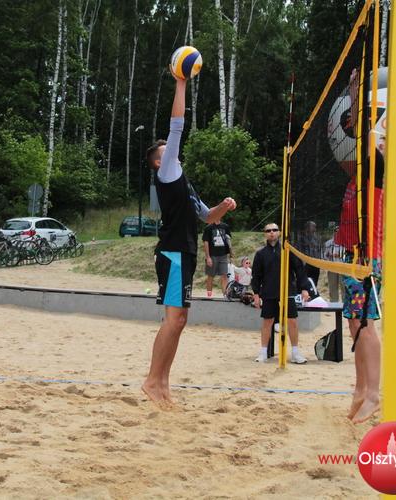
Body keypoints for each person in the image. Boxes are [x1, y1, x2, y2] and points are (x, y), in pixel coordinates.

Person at [142, 74, 237, 409]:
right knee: (174, 319)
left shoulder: (184, 182)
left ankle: (163, 383)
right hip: (172, 253)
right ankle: (152, 381)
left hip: (185, 252)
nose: (174, 152)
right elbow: (177, 126)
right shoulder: (166, 171)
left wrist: (223, 207)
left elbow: (207, 217)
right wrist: (181, 83)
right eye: (167, 151)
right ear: (159, 161)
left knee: (179, 321)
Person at [334, 68, 383, 424]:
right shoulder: (357, 176)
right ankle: (360, 387)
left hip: (368, 257)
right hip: (352, 256)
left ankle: (374, 394)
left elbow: (362, 129)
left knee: (364, 324)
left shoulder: (376, 167)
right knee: (353, 324)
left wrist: (354, 91)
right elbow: (356, 131)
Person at [251, 223, 310, 364]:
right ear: (265, 234)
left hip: (287, 290)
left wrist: (304, 288)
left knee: (292, 321)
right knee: (267, 321)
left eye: (274, 230)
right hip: (269, 291)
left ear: (279, 232)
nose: (271, 232)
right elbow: (256, 275)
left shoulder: (288, 250)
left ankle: (295, 353)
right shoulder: (260, 254)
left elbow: (299, 270)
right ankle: (263, 353)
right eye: (268, 230)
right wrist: (256, 294)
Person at [202, 219, 233, 297]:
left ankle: (225, 295)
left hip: (223, 255)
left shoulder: (225, 226)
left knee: (224, 275)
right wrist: (208, 257)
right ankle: (209, 295)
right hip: (212, 255)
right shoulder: (208, 227)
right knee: (211, 275)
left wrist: (231, 253)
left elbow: (228, 240)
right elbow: (206, 242)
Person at [323, 226, 345, 302]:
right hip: (332, 268)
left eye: (339, 232)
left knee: (344, 286)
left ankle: (345, 303)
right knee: (332, 287)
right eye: (336, 232)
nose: (337, 233)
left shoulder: (346, 243)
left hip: (343, 268)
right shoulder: (328, 243)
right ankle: (333, 303)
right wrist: (328, 263)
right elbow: (324, 255)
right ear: (334, 233)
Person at [298, 220, 322, 288]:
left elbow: (319, 251)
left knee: (314, 284)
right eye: (313, 227)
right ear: (307, 228)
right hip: (306, 265)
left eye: (315, 227)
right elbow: (300, 251)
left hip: (316, 265)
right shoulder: (302, 239)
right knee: (306, 283)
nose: (315, 228)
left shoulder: (317, 239)